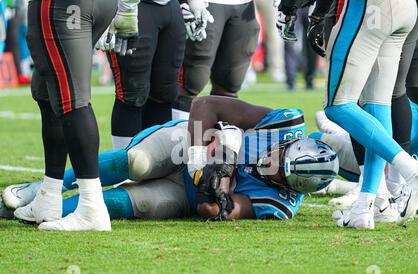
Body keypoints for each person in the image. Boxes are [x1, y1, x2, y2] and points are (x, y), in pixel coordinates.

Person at [2, 96, 339, 222]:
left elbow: (214, 210)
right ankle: (39, 189)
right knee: (137, 163)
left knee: (128, 206)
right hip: (184, 143)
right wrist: (198, 157)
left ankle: (41, 213)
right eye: (282, 157)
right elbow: (206, 106)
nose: (274, 164)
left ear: (292, 187)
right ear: (295, 143)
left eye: (281, 173)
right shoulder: (285, 123)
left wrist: (219, 170)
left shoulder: (279, 204)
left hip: (186, 195)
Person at [277, 0, 418, 230]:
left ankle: (411, 169)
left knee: (337, 104)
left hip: (369, 9)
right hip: (406, 9)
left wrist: (295, 8)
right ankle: (368, 206)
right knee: (378, 104)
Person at [17, 0, 141, 232]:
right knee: (47, 90)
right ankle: (49, 195)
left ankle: (91, 207)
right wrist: (127, 7)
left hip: (63, 6)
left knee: (72, 99)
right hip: (103, 4)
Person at [311, 53, 418, 223]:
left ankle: (375, 195)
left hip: (401, 162)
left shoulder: (400, 70)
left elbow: (385, 136)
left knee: (342, 106)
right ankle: (375, 193)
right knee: (323, 134)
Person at [97, 0, 187, 150]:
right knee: (132, 93)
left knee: (165, 94)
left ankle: (156, 165)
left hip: (171, 6)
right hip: (133, 8)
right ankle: (124, 165)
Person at [174, 0, 261, 118]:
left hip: (245, 7)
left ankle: (220, 133)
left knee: (231, 82)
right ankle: (181, 133)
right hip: (206, 5)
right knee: (192, 80)